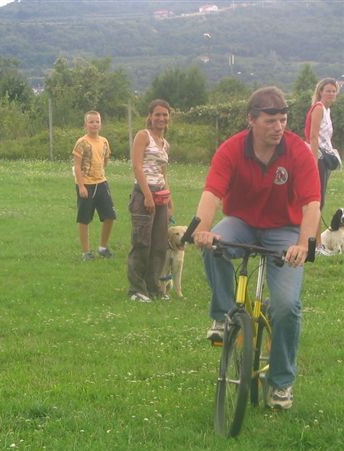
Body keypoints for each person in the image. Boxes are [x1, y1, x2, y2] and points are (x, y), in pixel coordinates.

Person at [193, 87, 321, 409]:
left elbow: (312, 204)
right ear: (251, 120)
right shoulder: (232, 149)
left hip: (285, 230)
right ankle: (223, 317)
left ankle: (280, 384)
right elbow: (212, 193)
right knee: (213, 247)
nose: (279, 127)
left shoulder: (298, 151)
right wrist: (203, 229)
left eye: (283, 119)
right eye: (270, 121)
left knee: (286, 306)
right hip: (243, 223)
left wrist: (304, 244)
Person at [127, 99, 173, 302]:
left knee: (160, 245)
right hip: (144, 195)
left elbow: (163, 173)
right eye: (157, 114)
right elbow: (137, 167)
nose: (161, 118)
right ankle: (136, 290)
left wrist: (169, 201)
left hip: (160, 196)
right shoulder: (142, 136)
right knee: (142, 243)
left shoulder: (165, 144)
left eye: (165, 114)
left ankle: (154, 287)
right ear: (150, 116)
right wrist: (147, 196)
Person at [72, 110, 116, 261]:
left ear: (100, 124)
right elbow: (77, 166)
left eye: (97, 121)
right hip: (86, 185)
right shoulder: (81, 143)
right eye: (91, 122)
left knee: (110, 215)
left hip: (101, 183)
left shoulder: (104, 141)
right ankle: (86, 252)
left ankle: (103, 247)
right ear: (85, 125)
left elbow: (105, 160)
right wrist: (82, 186)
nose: (94, 124)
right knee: (84, 219)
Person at [304, 78, 339, 255]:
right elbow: (313, 136)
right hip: (317, 159)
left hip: (324, 159)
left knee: (320, 200)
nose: (332, 94)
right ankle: (317, 245)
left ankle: (317, 243)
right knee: (316, 201)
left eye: (334, 91)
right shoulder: (318, 108)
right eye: (328, 90)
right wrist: (313, 160)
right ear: (320, 92)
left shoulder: (327, 109)